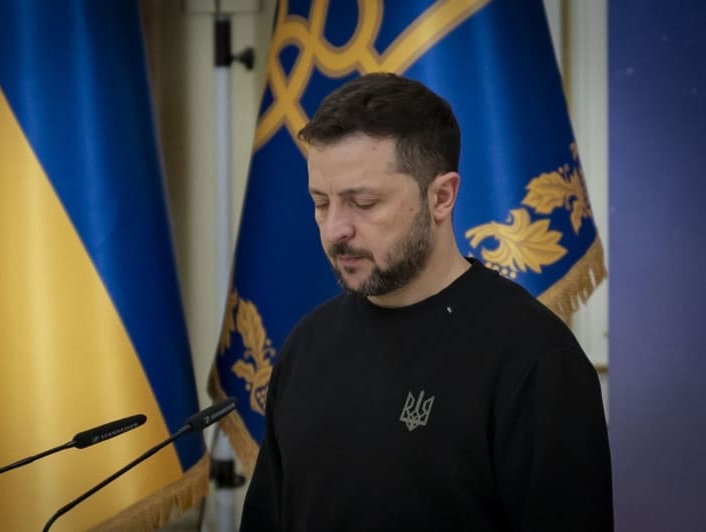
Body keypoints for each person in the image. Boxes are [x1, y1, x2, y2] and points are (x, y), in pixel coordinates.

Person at [239, 72, 613, 531]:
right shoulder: (305, 347)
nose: (335, 229)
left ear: (442, 197)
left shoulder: (534, 360)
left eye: (364, 202)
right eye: (321, 203)